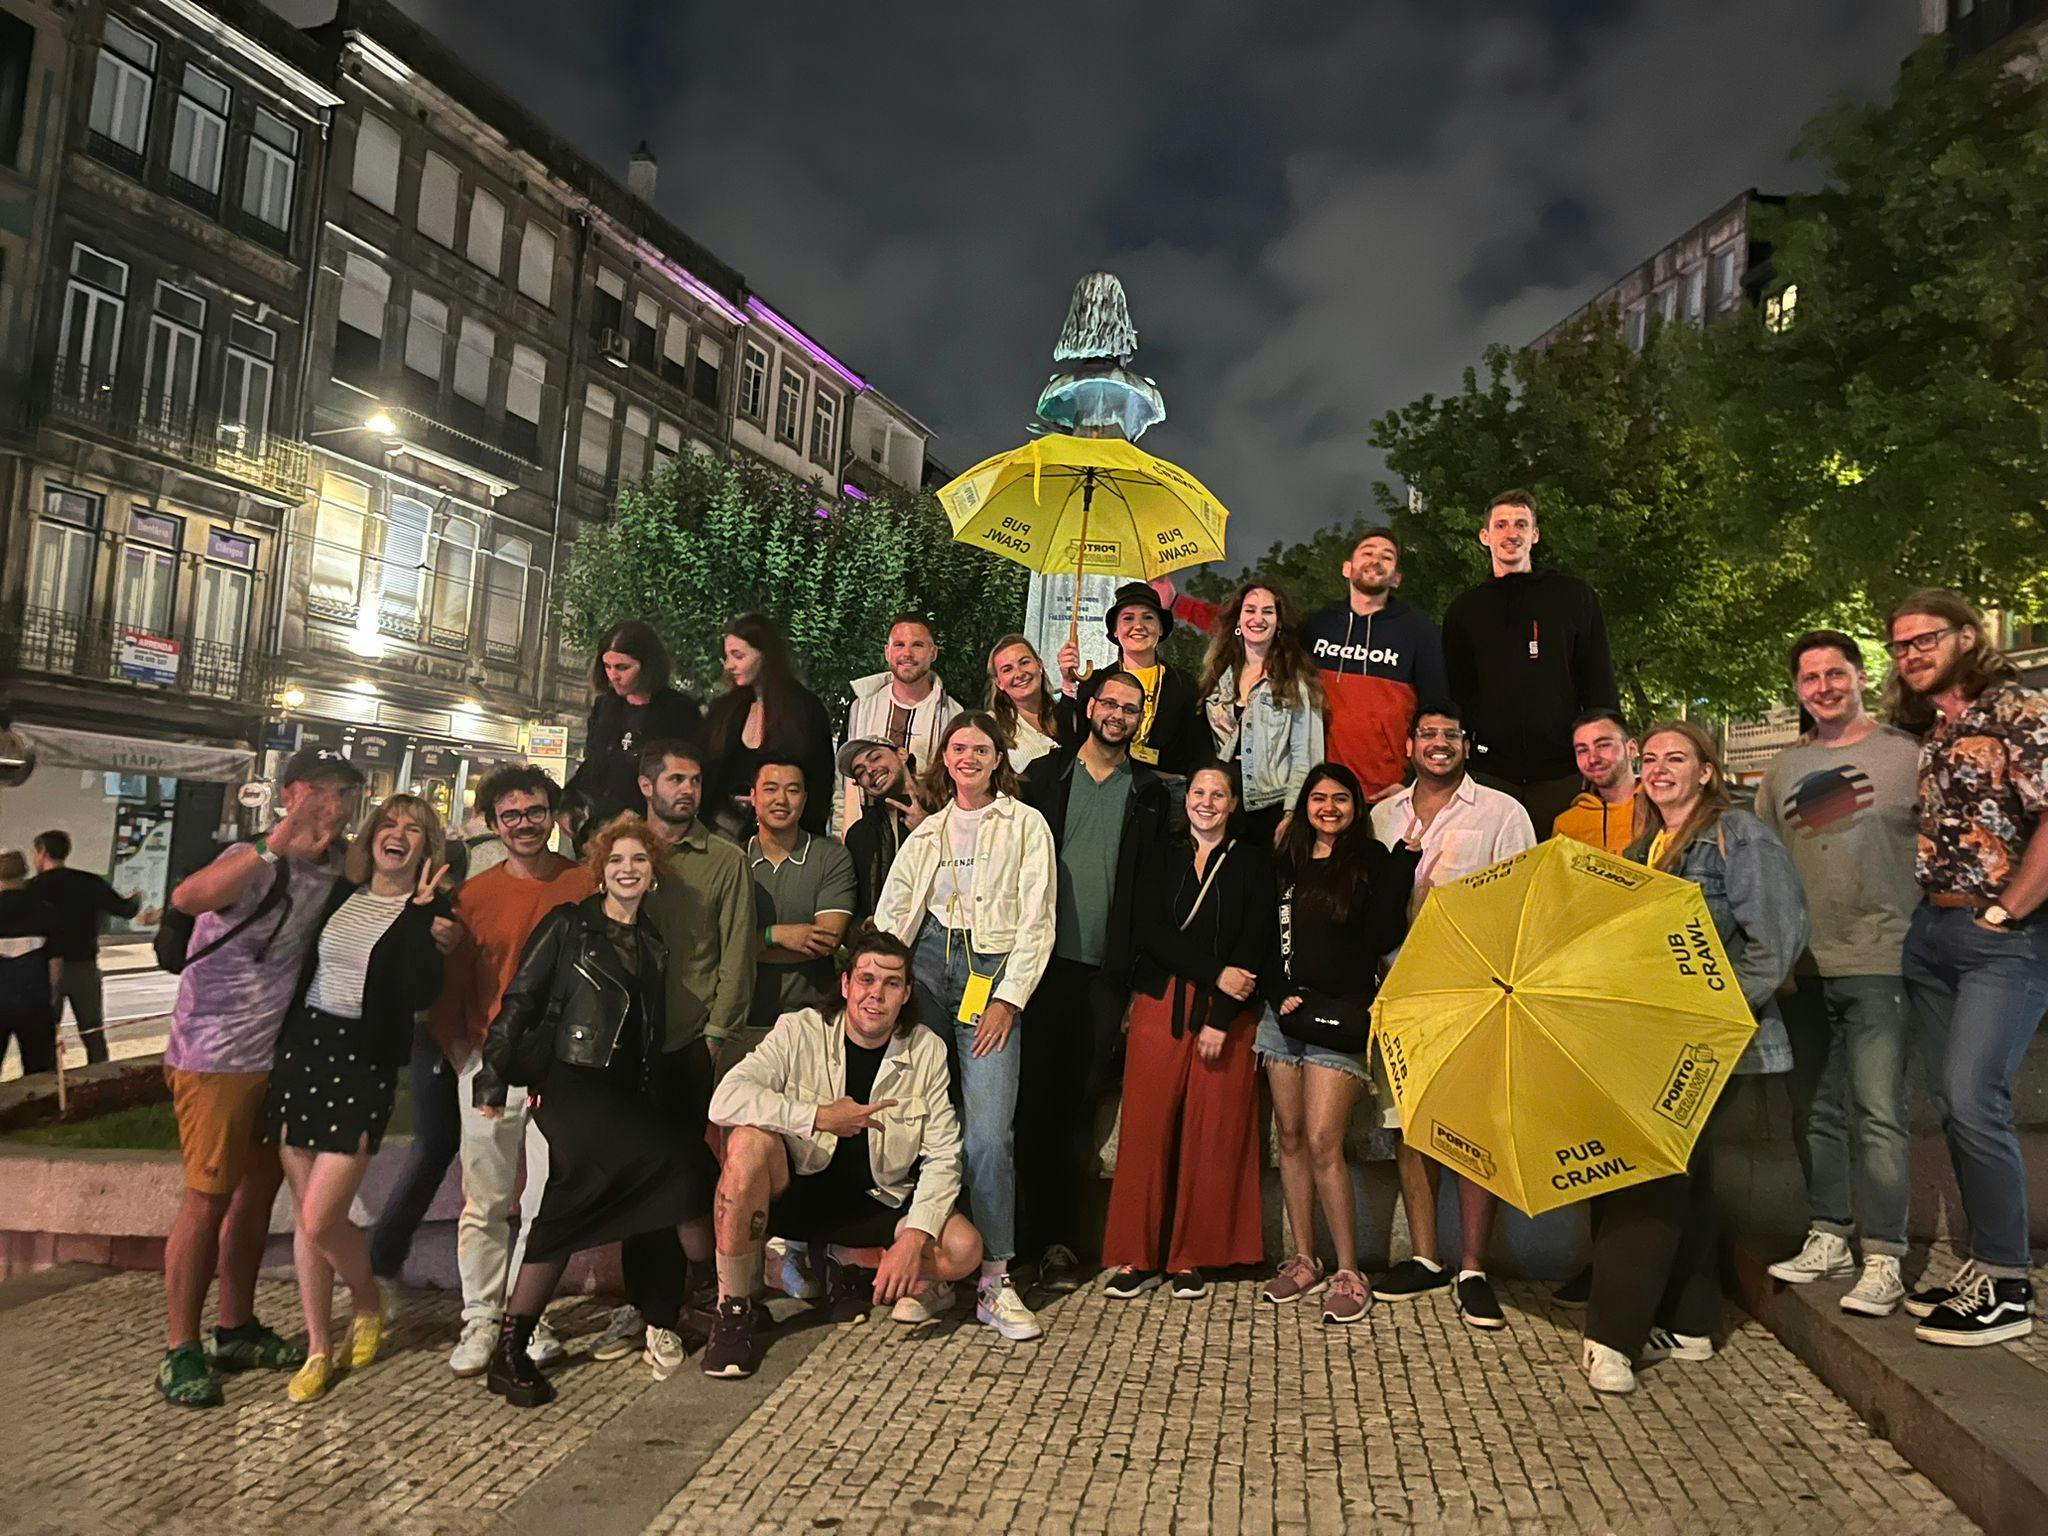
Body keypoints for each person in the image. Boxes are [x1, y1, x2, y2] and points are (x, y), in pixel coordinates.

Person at [1583, 722, 1807, 1394]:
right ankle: (1691, 1322)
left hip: (1714, 1042)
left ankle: (1611, 1337)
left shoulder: (1737, 837)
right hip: (1655, 1041)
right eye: (1649, 758)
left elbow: (1778, 940)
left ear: (1707, 770)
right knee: (1686, 1176)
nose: (1658, 769)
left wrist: (1712, 1010)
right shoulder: (1643, 849)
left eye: (1675, 758)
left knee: (1647, 1175)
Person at [472, 816, 707, 1406]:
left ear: (654, 873)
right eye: (616, 860)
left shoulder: (652, 940)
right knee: (682, 1165)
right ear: (601, 871)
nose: (628, 870)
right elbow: (520, 1000)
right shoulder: (569, 924)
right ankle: (717, 1297)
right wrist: (491, 1077)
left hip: (623, 1095)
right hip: (571, 1085)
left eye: (639, 860)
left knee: (576, 1203)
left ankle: (512, 1347)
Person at [155, 746, 363, 1409]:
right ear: (291, 792)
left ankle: (236, 1326)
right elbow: (189, 898)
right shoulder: (249, 857)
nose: (334, 804)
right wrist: (277, 843)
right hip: (213, 1057)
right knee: (206, 1200)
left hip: (274, 1058)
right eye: (321, 789)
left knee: (254, 1197)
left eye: (345, 793)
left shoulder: (335, 864)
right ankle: (180, 1347)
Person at [702, 928, 985, 1378]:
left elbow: (943, 1155)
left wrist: (915, 1237)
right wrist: (817, 1116)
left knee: (964, 1250)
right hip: (797, 1192)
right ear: (847, 984)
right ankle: (734, 1311)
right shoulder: (800, 1030)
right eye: (867, 980)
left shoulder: (925, 1050)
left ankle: (845, 1261)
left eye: (891, 983)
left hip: (877, 1199)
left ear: (906, 993)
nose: (877, 994)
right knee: (747, 1142)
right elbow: (725, 1100)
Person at [1886, 591, 2048, 1347]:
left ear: (1967, 637)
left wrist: (2008, 911)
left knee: (1972, 1096)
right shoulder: (1935, 728)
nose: (1910, 655)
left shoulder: (2020, 709)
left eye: (1925, 640)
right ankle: (1985, 1264)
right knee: (1952, 1106)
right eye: (1900, 646)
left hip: (2003, 936)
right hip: (1934, 930)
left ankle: (2009, 1285)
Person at [872, 711, 1056, 1342]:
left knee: (987, 1135)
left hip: (991, 975)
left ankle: (995, 1278)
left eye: (981, 749)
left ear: (997, 758)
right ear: (944, 760)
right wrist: (884, 989)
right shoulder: (928, 833)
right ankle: (936, 1272)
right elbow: (892, 915)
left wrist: (1009, 998)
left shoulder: (1026, 825)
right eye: (958, 748)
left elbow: (1038, 921)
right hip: (926, 970)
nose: (969, 758)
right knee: (924, 1122)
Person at [1756, 631, 1923, 1318]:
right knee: (1815, 1109)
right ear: (1798, 690)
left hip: (1884, 958)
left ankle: (1884, 1254)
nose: (1823, 687)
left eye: (1835, 673)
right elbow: (1764, 864)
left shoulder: (1907, 756)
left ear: (1860, 676)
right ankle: (1829, 1232)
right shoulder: (1784, 768)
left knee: (1879, 1112)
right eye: (1810, 678)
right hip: (1806, 964)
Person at [269, 794, 447, 1403]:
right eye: (389, 824)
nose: (399, 834)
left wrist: (422, 920)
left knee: (321, 1217)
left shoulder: (429, 911)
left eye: (414, 828)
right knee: (306, 1214)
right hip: (304, 1051)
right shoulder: (340, 894)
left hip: (364, 1063)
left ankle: (367, 1300)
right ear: (371, 837)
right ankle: (319, 1347)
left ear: (426, 848)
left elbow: (422, 993)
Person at [581, 739, 752, 1369]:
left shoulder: (724, 860)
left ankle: (678, 1299)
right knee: (636, 1174)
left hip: (686, 1043)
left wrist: (716, 1036)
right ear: (646, 784)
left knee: (676, 1172)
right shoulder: (622, 853)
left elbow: (736, 953)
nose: (688, 790)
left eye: (696, 780)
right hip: (624, 1048)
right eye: (676, 779)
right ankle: (648, 1303)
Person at [1368, 701, 1537, 1329]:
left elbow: (1523, 902)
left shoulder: (1502, 812)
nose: (1439, 743)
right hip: (1399, 991)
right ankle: (1425, 1257)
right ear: (1410, 745)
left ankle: (1472, 1268)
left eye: (1451, 735)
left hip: (1474, 992)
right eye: (1428, 734)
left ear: (1467, 745)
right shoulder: (1382, 815)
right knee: (1409, 1126)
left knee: (1473, 1129)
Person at [431, 765, 594, 1377]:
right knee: (486, 1200)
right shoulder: (474, 897)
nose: (524, 824)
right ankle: (480, 1316)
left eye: (535, 811)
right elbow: (451, 988)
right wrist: (464, 1057)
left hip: (560, 1071)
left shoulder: (584, 885)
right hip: (489, 1065)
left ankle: (527, 1316)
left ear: (553, 816)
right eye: (511, 815)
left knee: (546, 1200)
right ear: (492, 823)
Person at [1018, 672, 1172, 1293]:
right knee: (1030, 1103)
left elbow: (1154, 891)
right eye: (1109, 703)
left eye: (1131, 708)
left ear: (1140, 718)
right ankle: (1015, 1241)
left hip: (1106, 974)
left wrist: (1137, 981)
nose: (1118, 715)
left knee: (1079, 1108)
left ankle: (1058, 1243)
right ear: (1089, 707)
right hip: (1039, 965)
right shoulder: (1043, 778)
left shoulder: (1151, 793)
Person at [1101, 764, 1272, 1299]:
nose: (1207, 801)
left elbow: (1255, 937)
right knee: (1146, 1129)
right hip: (1163, 1000)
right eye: (1199, 791)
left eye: (1219, 794)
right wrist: (1213, 972)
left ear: (1234, 804)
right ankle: (1136, 1255)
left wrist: (1221, 1014)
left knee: (1213, 1132)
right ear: (1187, 799)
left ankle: (1190, 1256)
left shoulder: (1253, 862)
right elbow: (1149, 930)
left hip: (1229, 1011)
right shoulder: (1162, 854)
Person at [1259, 763, 1421, 1324]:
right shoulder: (1287, 860)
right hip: (1281, 1018)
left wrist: (1402, 866)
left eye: (1341, 799)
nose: (1329, 808)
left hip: (1341, 1016)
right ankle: (1305, 1259)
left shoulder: (1370, 860)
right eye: (1319, 798)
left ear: (1356, 807)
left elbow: (1382, 936)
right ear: (1305, 805)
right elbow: (1265, 934)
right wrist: (1277, 991)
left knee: (1325, 1140)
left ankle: (1351, 1271)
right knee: (1290, 1136)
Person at [1442, 489, 1619, 837]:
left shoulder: (1574, 598)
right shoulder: (1464, 611)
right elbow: (1456, 693)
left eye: (1521, 524)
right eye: (1502, 525)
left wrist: (1602, 753)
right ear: (1485, 536)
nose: (1512, 533)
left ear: (1535, 534)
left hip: (1563, 773)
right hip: (1491, 774)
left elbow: (1599, 682)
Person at [1302, 530, 1448, 799]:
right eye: (1367, 553)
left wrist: (1410, 780)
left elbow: (1436, 712)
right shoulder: (1316, 626)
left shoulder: (1420, 632)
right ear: (1347, 568)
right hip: (1322, 789)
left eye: (1386, 557)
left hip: (1388, 790)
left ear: (1396, 579)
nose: (1375, 560)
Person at [742, 759, 858, 1067]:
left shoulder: (831, 857)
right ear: (753, 796)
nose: (781, 799)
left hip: (814, 1017)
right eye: (770, 789)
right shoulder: (734, 859)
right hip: (744, 1018)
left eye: (792, 790)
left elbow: (826, 941)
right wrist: (775, 935)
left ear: (804, 799)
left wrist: (748, 946)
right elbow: (717, 947)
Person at [1199, 583, 1327, 847]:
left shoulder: (1295, 682)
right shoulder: (1218, 676)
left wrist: (1292, 813)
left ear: (1278, 622)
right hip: (1223, 803)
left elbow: (1305, 756)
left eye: (1268, 611)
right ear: (1238, 619)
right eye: (1250, 610)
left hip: (1271, 808)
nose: (1258, 618)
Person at [563, 621, 704, 842]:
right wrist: (568, 802)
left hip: (653, 830)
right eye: (607, 666)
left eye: (623, 667)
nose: (613, 676)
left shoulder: (678, 711)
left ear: (647, 666)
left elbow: (684, 775)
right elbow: (594, 763)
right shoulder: (605, 705)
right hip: (600, 829)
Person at [702, 612, 836, 840]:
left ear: (765, 656)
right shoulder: (723, 709)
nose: (729, 665)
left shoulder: (805, 710)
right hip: (724, 831)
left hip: (786, 834)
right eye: (727, 656)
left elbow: (819, 785)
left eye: (738, 656)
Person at [1058, 581, 1206, 775]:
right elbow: (1069, 739)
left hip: (1166, 789)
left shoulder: (1184, 685)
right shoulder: (1096, 682)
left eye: (1148, 617)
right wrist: (1068, 682)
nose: (1138, 626)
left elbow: (1198, 750)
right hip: (1106, 782)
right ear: (1115, 630)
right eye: (1128, 618)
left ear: (1161, 628)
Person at [29, 828, 148, 1065]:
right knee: (92, 1032)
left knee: (44, 1036)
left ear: (42, 852)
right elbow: (125, 909)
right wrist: (137, 897)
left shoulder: (33, 888)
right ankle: (100, 1078)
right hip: (84, 966)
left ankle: (50, 1080)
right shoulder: (89, 882)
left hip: (44, 969)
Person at [839, 613, 963, 830]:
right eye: (899, 645)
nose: (907, 654)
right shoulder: (861, 707)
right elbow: (844, 784)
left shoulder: (954, 713)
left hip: (931, 832)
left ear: (933, 653)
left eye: (917, 645)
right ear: (887, 652)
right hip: (870, 835)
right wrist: (844, 833)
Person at [839, 737, 932, 922]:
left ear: (902, 754)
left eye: (876, 758)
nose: (870, 770)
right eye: (860, 772)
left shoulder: (946, 809)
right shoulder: (859, 835)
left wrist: (929, 829)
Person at [1553, 709, 1651, 857]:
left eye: (1603, 745)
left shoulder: (1660, 808)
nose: (1593, 759)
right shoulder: (1567, 825)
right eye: (1582, 750)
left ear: (1631, 749)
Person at [0, 849, 58, 1077]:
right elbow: (55, 962)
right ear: (25, 872)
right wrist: (52, 996)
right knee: (40, 1073)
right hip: (35, 1001)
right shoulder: (45, 910)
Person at [986, 633, 1070, 773]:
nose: (1019, 673)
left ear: (1040, 665)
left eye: (1024, 662)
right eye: (1008, 669)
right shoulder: (991, 726)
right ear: (999, 682)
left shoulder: (1065, 713)